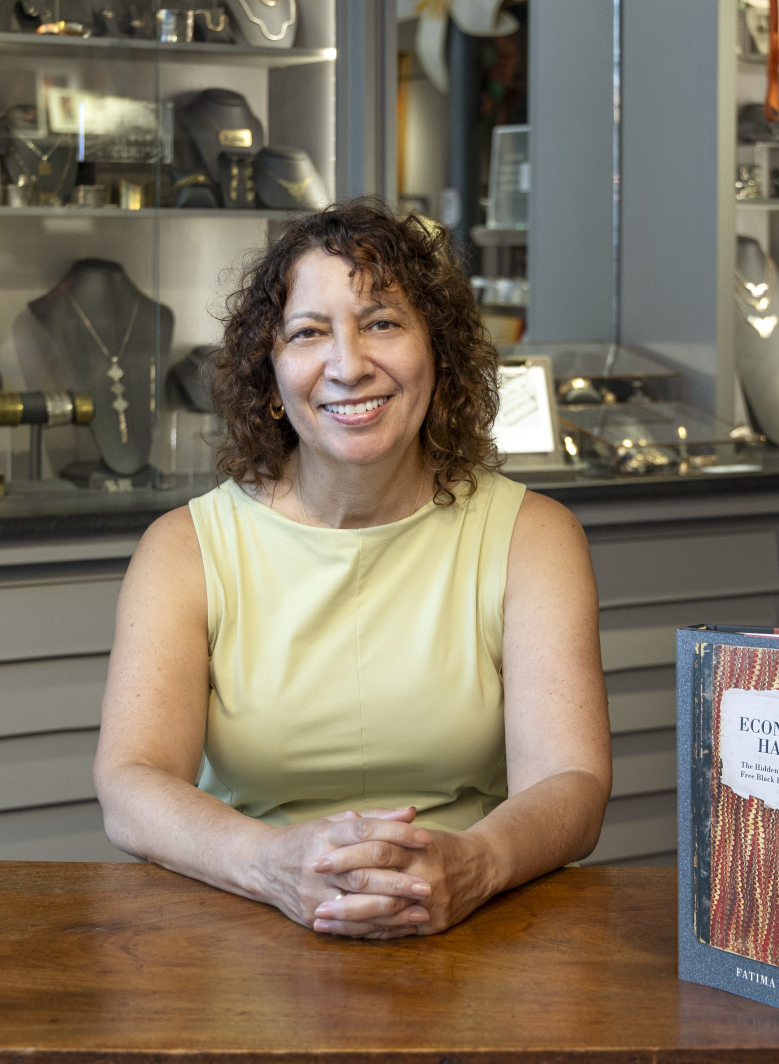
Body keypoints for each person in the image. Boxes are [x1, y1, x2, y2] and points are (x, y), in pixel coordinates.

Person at [94, 199, 610, 939]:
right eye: (308, 333)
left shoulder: (535, 537)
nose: (348, 365)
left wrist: (474, 864)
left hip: (480, 926)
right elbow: (131, 784)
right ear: (270, 377)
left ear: (438, 351)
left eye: (382, 323)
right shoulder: (184, 548)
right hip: (245, 925)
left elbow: (574, 783)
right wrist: (273, 864)